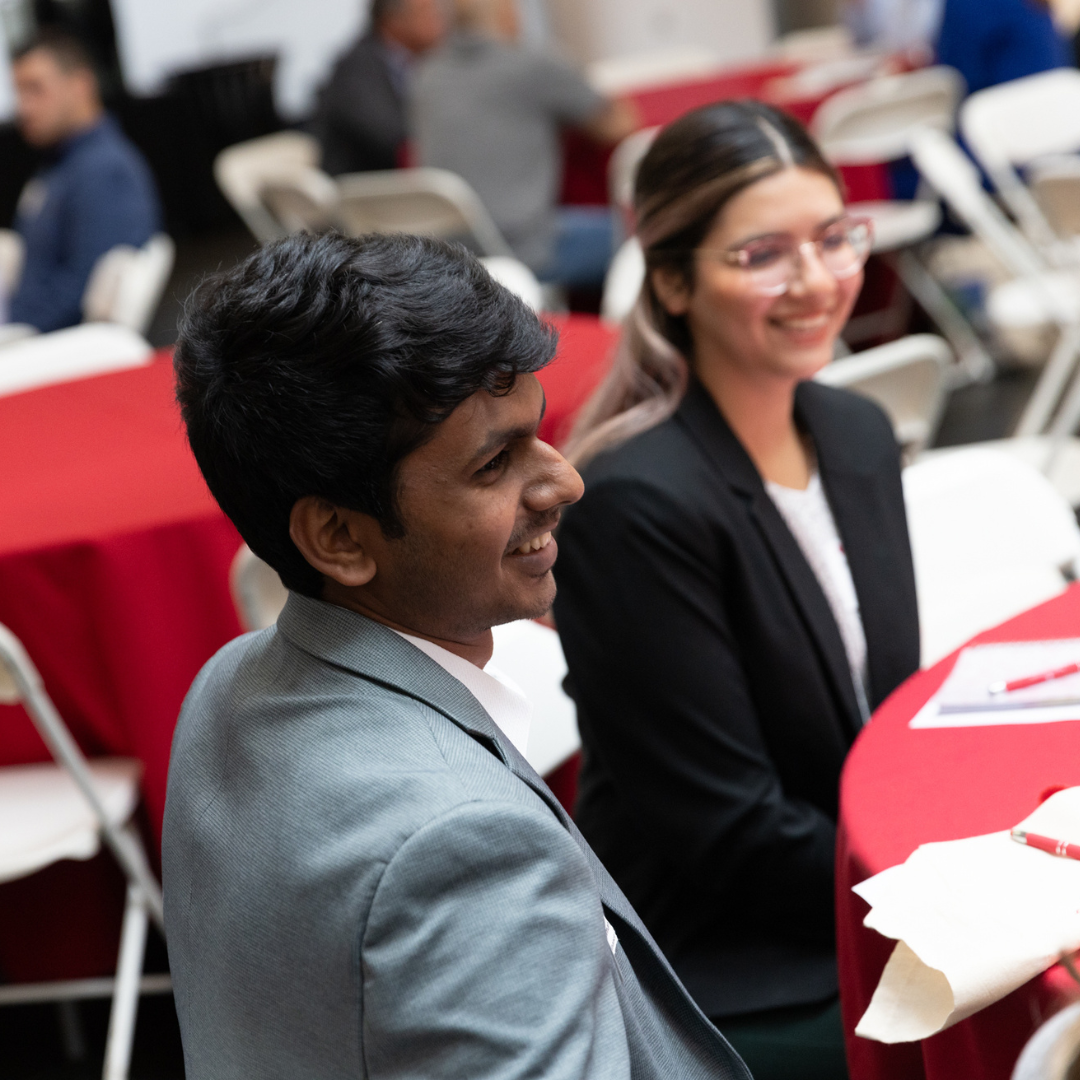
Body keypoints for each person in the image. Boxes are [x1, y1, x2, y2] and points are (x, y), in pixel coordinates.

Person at [163, 231, 754, 1080]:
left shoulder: (227, 683)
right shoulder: (460, 847)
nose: (563, 483)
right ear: (337, 537)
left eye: (538, 435)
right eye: (495, 464)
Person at [552, 101, 921, 1080]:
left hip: (852, 880)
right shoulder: (635, 506)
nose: (816, 281)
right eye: (761, 255)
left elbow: (877, 716)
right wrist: (929, 881)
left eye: (834, 238)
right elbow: (729, 839)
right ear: (671, 280)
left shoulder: (854, 435)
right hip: (731, 959)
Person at [412, 0, 637, 288]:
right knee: (636, 236)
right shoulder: (532, 64)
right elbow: (617, 124)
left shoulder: (426, 76)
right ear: (506, 13)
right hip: (527, 249)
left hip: (450, 253)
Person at [7, 30, 161, 333]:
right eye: (19, 92)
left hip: (47, 349)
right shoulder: (60, 164)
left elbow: (80, 295)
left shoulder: (104, 172)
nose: (24, 108)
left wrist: (12, 328)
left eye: (35, 89)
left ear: (80, 85)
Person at [314, 0, 447, 175]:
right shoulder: (357, 69)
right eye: (427, 12)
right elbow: (392, 138)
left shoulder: (420, 66)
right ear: (393, 19)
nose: (440, 20)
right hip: (364, 193)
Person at [935, 0, 1070, 96]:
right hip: (1057, 115)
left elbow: (956, 78)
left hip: (1001, 122)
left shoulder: (967, 5)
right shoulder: (1035, 6)